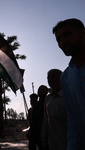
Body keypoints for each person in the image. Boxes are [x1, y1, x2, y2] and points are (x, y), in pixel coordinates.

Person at [53, 18, 85, 150]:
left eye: (67, 35)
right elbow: (73, 121)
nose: (62, 42)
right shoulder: (66, 77)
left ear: (83, 33)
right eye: (58, 39)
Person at [41, 69, 67, 150]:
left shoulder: (68, 95)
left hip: (67, 143)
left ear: (61, 78)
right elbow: (46, 120)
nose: (50, 80)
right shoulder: (48, 99)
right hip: (52, 144)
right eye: (48, 78)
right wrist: (44, 140)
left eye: (53, 77)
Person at [29, 85, 48, 150]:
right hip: (35, 133)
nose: (41, 91)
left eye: (43, 90)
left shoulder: (49, 103)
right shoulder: (36, 105)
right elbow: (33, 121)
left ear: (46, 92)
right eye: (39, 90)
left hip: (46, 133)